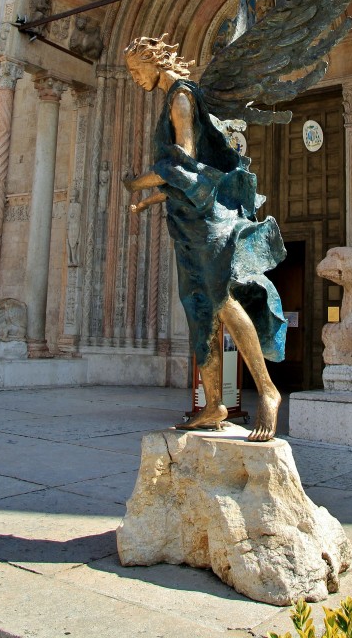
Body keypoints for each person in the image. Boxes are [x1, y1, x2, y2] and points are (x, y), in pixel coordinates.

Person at [123, 35, 287, 441]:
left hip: (206, 224)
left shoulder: (181, 99)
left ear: (153, 60)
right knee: (198, 311)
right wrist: (151, 200)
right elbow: (183, 180)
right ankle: (213, 405)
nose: (133, 78)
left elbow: (184, 164)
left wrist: (138, 182)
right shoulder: (173, 100)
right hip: (186, 222)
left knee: (221, 301)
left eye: (134, 70)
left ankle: (268, 391)